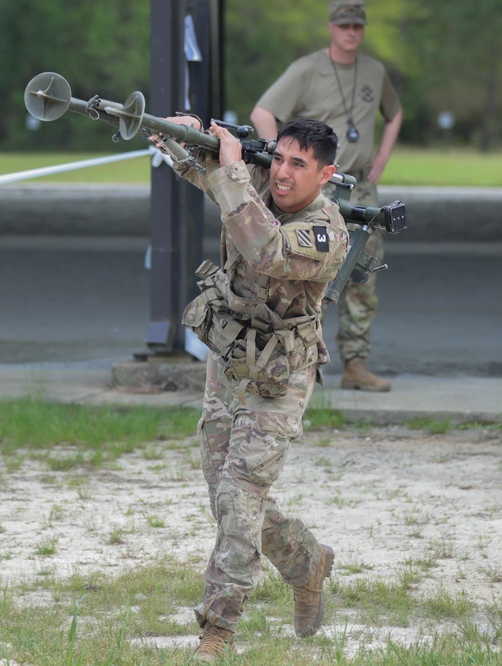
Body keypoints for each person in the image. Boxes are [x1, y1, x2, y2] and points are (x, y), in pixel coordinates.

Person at [150, 117, 348, 662]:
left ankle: (218, 630)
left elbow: (264, 248)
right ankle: (308, 563)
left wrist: (234, 168)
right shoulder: (253, 183)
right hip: (230, 361)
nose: (281, 174)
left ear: (325, 174)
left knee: (239, 500)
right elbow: (207, 173)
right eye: (278, 159)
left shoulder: (326, 231)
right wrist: (178, 137)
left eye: (298, 165)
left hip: (280, 378)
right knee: (226, 494)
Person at [250, 0, 403, 393]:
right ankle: (287, 363)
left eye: (357, 26)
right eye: (343, 25)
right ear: (331, 27)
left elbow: (394, 113)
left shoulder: (373, 71)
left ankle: (355, 362)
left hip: (360, 186)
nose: (351, 32)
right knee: (299, 271)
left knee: (362, 274)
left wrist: (382, 156)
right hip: (317, 187)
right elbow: (262, 112)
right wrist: (277, 159)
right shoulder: (307, 69)